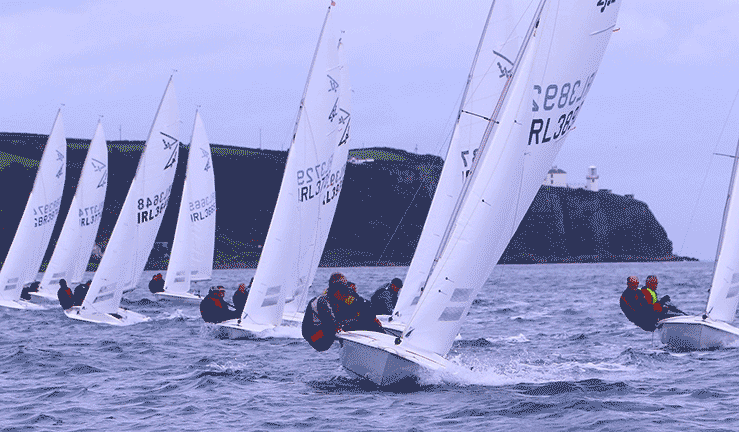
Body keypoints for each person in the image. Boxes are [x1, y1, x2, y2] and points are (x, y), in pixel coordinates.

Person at [302, 273, 383, 352]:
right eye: (342, 286)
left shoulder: (343, 296)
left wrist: (372, 318)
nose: (345, 289)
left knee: (370, 320)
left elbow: (367, 307)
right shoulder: (323, 301)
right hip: (316, 336)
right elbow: (332, 324)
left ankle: (382, 340)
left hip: (330, 328)